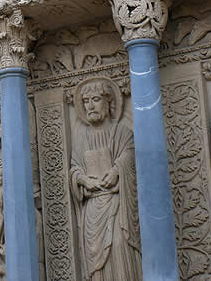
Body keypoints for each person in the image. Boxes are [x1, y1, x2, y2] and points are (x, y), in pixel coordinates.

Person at [69, 78, 141, 281]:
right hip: (92, 209)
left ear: (109, 102)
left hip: (117, 203)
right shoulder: (81, 137)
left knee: (119, 244)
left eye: (95, 99)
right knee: (95, 261)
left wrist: (118, 170)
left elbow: (131, 156)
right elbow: (75, 167)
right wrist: (83, 180)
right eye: (85, 101)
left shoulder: (121, 132)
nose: (89, 106)